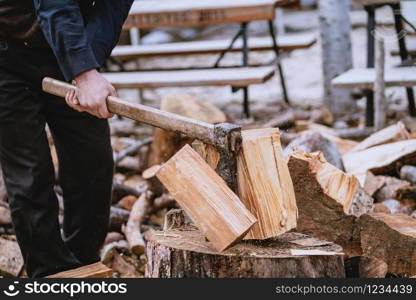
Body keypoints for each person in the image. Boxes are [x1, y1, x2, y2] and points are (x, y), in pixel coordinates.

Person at [0, 0, 134, 277]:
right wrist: (83, 73)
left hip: (65, 49)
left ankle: (84, 265)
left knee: (93, 164)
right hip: (6, 51)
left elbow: (111, 9)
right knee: (30, 174)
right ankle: (50, 274)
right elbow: (53, 3)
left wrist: (88, 66)